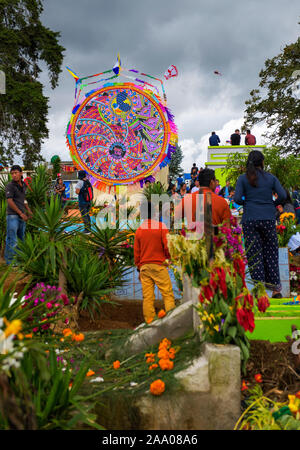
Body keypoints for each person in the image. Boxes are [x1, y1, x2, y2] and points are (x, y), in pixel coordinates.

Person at [234, 150, 287, 298]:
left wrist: (248, 203)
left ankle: (260, 290)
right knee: (271, 252)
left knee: (254, 253)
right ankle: (276, 290)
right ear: (262, 162)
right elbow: (282, 195)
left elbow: (237, 198)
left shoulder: (243, 178)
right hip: (268, 218)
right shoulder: (270, 177)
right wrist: (272, 204)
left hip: (250, 219)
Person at [134, 201, 176, 323]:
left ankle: (150, 323)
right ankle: (171, 322)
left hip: (144, 268)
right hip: (159, 265)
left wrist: (139, 267)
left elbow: (137, 253)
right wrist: (169, 259)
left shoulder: (139, 230)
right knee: (167, 294)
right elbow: (167, 246)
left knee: (147, 298)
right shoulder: (161, 227)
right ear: (154, 213)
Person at [4, 165, 33, 265]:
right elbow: (10, 201)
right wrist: (20, 213)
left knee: (21, 238)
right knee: (12, 239)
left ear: (21, 173)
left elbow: (24, 199)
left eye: (16, 173)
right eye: (12, 173)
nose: (14, 175)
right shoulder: (10, 186)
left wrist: (28, 210)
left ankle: (20, 259)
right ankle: (11, 261)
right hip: (13, 216)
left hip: (22, 215)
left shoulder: (24, 185)